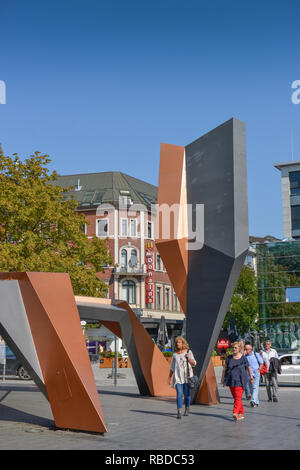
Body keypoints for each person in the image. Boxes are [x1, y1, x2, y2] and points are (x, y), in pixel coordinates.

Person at [221, 341, 254, 421]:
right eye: (233, 348)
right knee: (236, 397)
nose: (234, 349)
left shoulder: (243, 358)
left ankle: (235, 413)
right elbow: (225, 368)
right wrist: (222, 378)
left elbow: (248, 367)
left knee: (238, 397)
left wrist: (251, 377)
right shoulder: (229, 358)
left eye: (235, 348)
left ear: (239, 349)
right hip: (231, 380)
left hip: (241, 381)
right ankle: (241, 412)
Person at [168, 336, 196, 419]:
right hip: (177, 378)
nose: (178, 344)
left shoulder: (189, 352)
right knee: (179, 394)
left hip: (187, 378)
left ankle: (187, 408)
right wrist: (169, 377)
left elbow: (194, 363)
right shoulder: (175, 355)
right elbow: (172, 367)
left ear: (183, 343)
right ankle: (179, 411)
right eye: (177, 342)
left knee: (187, 395)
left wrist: (189, 358)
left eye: (179, 342)